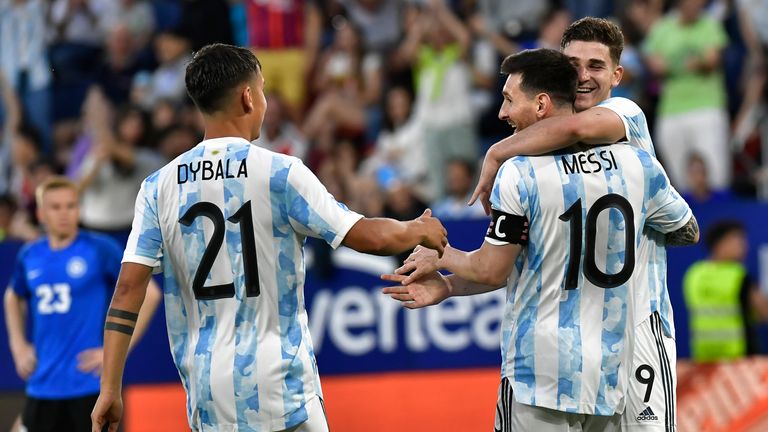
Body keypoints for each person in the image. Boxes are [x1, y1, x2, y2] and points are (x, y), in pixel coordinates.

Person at [90, 43, 448, 432]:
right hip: (283, 387)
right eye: (261, 89)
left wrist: (109, 387)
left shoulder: (158, 187)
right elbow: (365, 236)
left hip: (208, 394)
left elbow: (127, 291)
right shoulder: (279, 173)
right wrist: (416, 229)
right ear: (247, 96)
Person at [384, 48, 698, 431]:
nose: (501, 113)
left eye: (508, 99)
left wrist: (442, 255)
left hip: (539, 376)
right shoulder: (638, 164)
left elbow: (492, 269)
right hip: (609, 376)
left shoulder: (519, 173)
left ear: (542, 104)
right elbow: (686, 229)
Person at [466, 17, 690, 431]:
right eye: (573, 65)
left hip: (640, 324)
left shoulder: (623, 112)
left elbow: (576, 125)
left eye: (596, 66)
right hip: (584, 342)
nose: (583, 76)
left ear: (617, 76)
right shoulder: (539, 156)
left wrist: (497, 153)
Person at [3, 176, 161, 432]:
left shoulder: (99, 248)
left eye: (71, 205)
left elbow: (150, 294)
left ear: (79, 209)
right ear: (42, 214)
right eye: (56, 207)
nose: (65, 213)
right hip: (42, 382)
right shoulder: (30, 254)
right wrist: (18, 345)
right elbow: (12, 295)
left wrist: (115, 352)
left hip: (87, 384)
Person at [683, 220, 768, 362]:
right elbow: (764, 312)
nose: (744, 246)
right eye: (738, 241)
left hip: (703, 359)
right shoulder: (739, 275)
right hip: (739, 359)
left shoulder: (693, 274)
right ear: (720, 243)